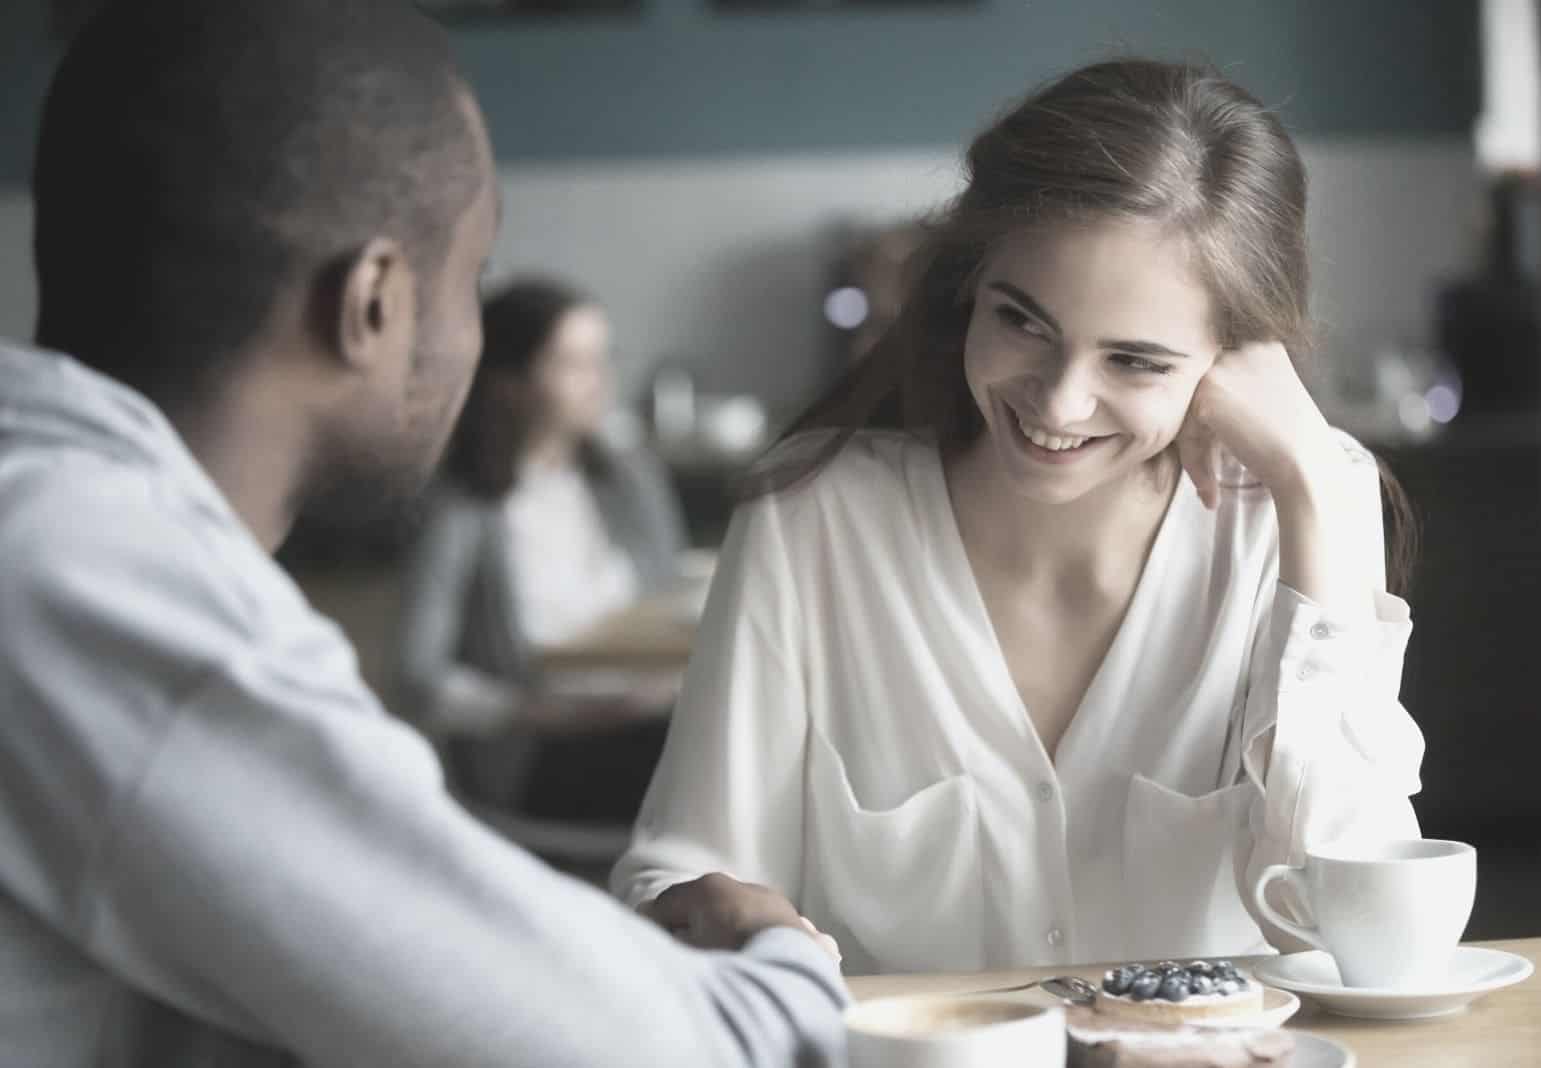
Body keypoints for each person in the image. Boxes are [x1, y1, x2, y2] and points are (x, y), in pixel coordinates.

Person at [0, 2, 846, 1066]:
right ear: (373, 302)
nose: (474, 335)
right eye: (472, 275)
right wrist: (785, 948)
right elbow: (679, 1054)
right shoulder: (93, 579)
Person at [613, 58, 1427, 975]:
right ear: (971, 283)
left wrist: (1314, 488)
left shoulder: (1286, 519)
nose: (1060, 405)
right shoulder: (814, 520)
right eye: (1023, 322)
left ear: (1233, 360)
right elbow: (685, 876)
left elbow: (1356, 931)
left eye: (1137, 361)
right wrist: (732, 924)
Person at [393, 278, 686, 823]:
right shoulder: (462, 506)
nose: (599, 383)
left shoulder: (627, 479)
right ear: (508, 382)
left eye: (603, 360)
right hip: (537, 750)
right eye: (572, 365)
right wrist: (545, 714)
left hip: (647, 719)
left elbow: (668, 606)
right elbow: (418, 678)